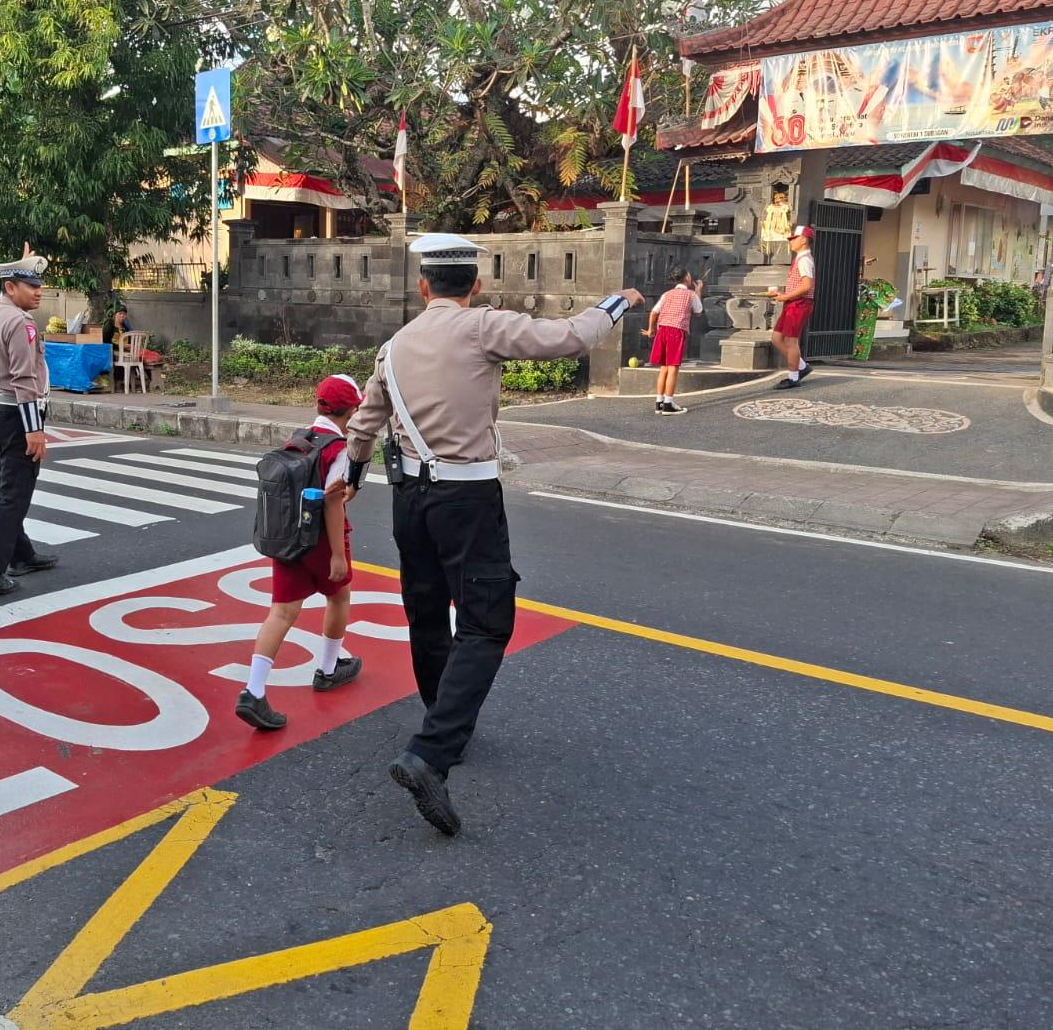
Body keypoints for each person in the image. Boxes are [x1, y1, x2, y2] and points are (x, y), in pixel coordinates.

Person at [344, 233, 644, 836]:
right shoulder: (482, 326)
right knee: (485, 621)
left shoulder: (394, 345)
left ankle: (441, 714)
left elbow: (368, 419)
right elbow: (567, 338)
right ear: (474, 286)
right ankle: (431, 752)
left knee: (426, 613)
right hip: (467, 499)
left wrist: (352, 468)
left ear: (425, 286)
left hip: (409, 499)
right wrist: (618, 301)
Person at [236, 374, 366, 731]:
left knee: (281, 612)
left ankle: (254, 690)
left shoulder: (299, 438)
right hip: (321, 541)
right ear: (352, 409)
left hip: (288, 538)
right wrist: (338, 557)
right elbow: (333, 504)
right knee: (339, 596)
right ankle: (327, 669)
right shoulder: (338, 450)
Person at [0, 254, 57, 596]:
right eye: (32, 286)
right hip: (18, 416)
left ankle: (21, 554)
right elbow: (23, 378)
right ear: (10, 286)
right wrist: (34, 429)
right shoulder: (22, 323)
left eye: (39, 285)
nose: (39, 292)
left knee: (9, 490)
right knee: (16, 496)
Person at [642, 266, 703, 415]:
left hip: (662, 330)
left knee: (664, 367)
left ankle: (659, 402)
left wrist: (651, 329)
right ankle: (668, 403)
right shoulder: (691, 295)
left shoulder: (666, 294)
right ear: (687, 278)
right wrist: (699, 291)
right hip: (676, 331)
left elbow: (654, 312)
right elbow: (698, 312)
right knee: (673, 367)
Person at [767, 224, 816, 389]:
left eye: (794, 238)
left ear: (803, 240)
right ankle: (801, 366)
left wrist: (785, 296)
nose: (791, 242)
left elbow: (807, 285)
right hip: (792, 302)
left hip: (799, 304)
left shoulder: (804, 260)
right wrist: (783, 295)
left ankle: (794, 377)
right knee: (776, 338)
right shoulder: (800, 259)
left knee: (790, 341)